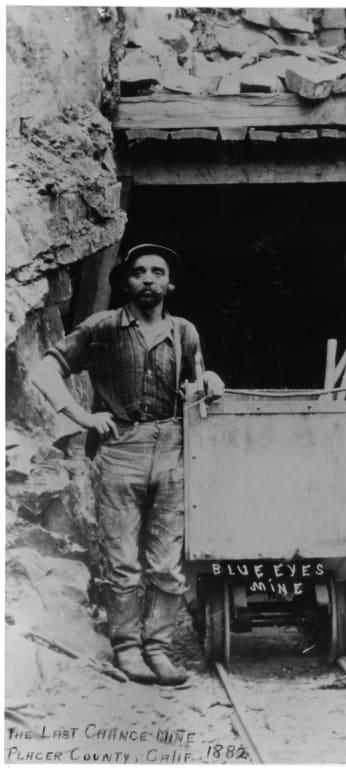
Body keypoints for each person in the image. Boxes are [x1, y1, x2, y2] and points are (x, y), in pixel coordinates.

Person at [32, 243, 224, 685]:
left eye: (158, 272)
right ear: (125, 282)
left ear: (170, 283)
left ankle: (158, 648)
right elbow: (45, 370)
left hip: (173, 447)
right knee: (122, 560)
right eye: (139, 272)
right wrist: (81, 416)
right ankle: (126, 648)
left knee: (166, 563)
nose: (149, 279)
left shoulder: (184, 331)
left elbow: (197, 383)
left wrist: (210, 380)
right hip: (120, 448)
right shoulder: (102, 327)